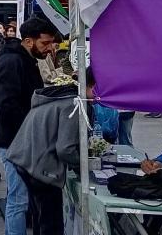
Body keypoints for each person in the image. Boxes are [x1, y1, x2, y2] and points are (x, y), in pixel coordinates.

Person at [0, 18, 61, 235]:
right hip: (13, 140)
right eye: (45, 43)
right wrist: (28, 132)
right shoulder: (12, 61)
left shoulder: (22, 59)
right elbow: (7, 105)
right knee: (18, 199)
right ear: (28, 41)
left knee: (20, 197)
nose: (49, 49)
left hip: (17, 138)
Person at [7, 68, 97, 235]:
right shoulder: (74, 104)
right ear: (93, 86)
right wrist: (84, 164)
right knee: (51, 223)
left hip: (26, 160)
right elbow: (65, 149)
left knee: (40, 218)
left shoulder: (62, 96)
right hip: (42, 169)